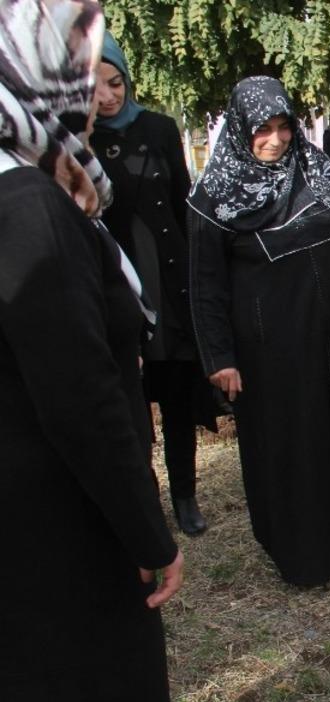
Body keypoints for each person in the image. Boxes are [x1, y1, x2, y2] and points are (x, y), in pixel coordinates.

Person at [1, 1, 183, 702]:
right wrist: (149, 531)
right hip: (58, 527)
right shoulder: (28, 208)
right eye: (73, 60)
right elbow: (79, 396)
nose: (87, 82)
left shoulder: (43, 188)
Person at [188, 76, 330, 587]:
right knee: (290, 441)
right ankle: (302, 554)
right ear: (238, 130)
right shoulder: (215, 195)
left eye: (282, 128)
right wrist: (219, 357)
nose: (274, 140)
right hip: (269, 346)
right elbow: (204, 286)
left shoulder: (314, 169)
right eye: (261, 130)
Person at [92, 32, 216, 536]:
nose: (107, 96)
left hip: (169, 288)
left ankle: (185, 496)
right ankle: (148, 501)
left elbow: (185, 204)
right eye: (93, 86)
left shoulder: (161, 129)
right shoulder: (74, 141)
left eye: (115, 82)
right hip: (116, 293)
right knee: (131, 408)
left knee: (178, 398)